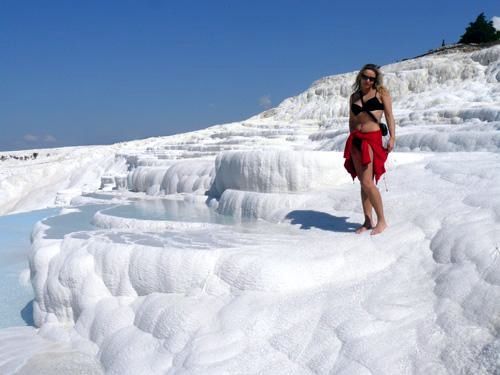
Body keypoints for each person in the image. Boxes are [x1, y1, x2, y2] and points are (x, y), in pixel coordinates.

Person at [343, 64, 395, 235]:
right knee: (363, 182)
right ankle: (367, 221)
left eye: (371, 78)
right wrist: (352, 135)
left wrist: (392, 137)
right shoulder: (354, 97)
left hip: (372, 139)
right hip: (356, 139)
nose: (368, 80)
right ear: (360, 77)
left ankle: (382, 221)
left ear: (375, 80)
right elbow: (352, 119)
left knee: (367, 182)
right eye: (365, 77)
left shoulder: (381, 94)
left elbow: (388, 116)